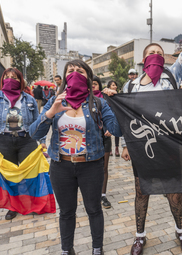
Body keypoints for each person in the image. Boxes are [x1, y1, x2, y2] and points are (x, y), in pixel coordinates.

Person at [108, 1, 182, 254]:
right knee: (141, 193)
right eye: (150, 52)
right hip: (142, 150)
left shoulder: (171, 75)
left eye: (158, 52)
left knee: (174, 195)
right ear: (143, 59)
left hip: (169, 148)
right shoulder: (130, 87)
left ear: (163, 58)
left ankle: (181, 231)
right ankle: (139, 236)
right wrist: (123, 145)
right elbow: (125, 119)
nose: (154, 55)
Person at [29, 59, 122, 255]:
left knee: (94, 210)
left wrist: (116, 103)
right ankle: (66, 250)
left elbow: (116, 130)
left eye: (80, 71)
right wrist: (50, 113)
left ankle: (97, 249)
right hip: (61, 166)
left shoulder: (98, 102)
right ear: (64, 77)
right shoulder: (55, 102)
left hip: (91, 166)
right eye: (70, 71)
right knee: (66, 212)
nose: (74, 74)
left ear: (88, 77)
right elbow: (34, 134)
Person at [0, 68, 44, 220]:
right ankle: (13, 207)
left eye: (14, 77)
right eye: (7, 77)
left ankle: (32, 204)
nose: (10, 79)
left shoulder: (29, 99)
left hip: (26, 140)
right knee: (10, 176)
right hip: (4, 141)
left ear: (21, 80)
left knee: (30, 174)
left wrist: (42, 142)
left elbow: (38, 122)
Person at [93, 75, 113, 209]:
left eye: (95, 83)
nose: (93, 85)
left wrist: (111, 128)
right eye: (91, 83)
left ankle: (103, 194)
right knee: (92, 168)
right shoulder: (84, 99)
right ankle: (92, 193)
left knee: (104, 167)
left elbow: (114, 114)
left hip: (105, 137)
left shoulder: (106, 98)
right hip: (92, 139)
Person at [107, 80, 120, 156]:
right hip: (109, 114)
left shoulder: (118, 95)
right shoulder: (106, 95)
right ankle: (110, 149)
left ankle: (117, 148)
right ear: (109, 87)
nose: (115, 86)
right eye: (113, 85)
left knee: (117, 132)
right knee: (108, 132)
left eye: (115, 85)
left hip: (117, 114)